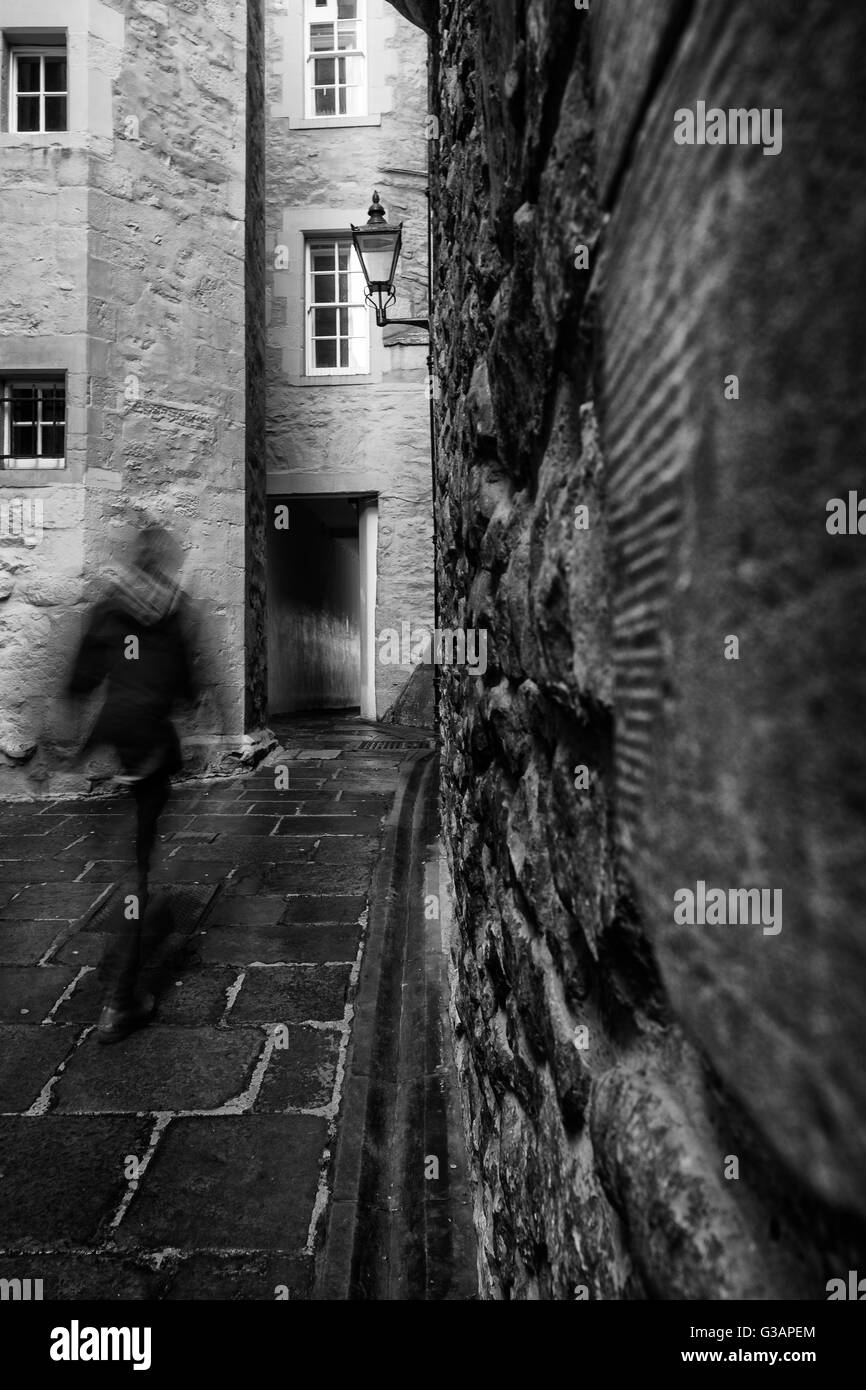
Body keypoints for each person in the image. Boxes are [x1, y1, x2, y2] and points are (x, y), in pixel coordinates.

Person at [66, 523, 202, 1043]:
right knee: (136, 867)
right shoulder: (176, 608)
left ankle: (123, 951)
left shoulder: (109, 603)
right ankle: (120, 1000)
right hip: (151, 744)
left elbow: (82, 677)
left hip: (117, 737)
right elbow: (188, 685)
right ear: (163, 561)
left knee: (129, 860)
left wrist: (70, 736)